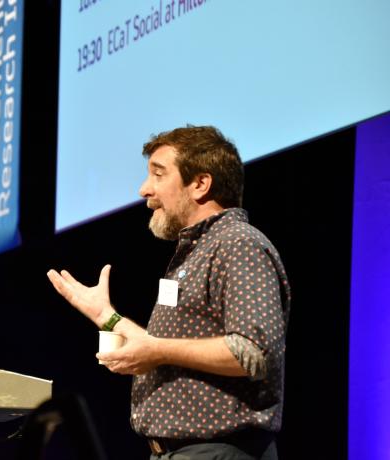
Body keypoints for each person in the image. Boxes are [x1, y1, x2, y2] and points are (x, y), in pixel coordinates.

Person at [47, 126, 290, 460]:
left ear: (201, 185)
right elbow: (159, 349)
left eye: (158, 175)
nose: (144, 189)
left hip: (218, 452)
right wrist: (107, 316)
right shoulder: (197, 252)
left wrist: (157, 350)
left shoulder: (238, 244)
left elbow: (255, 352)